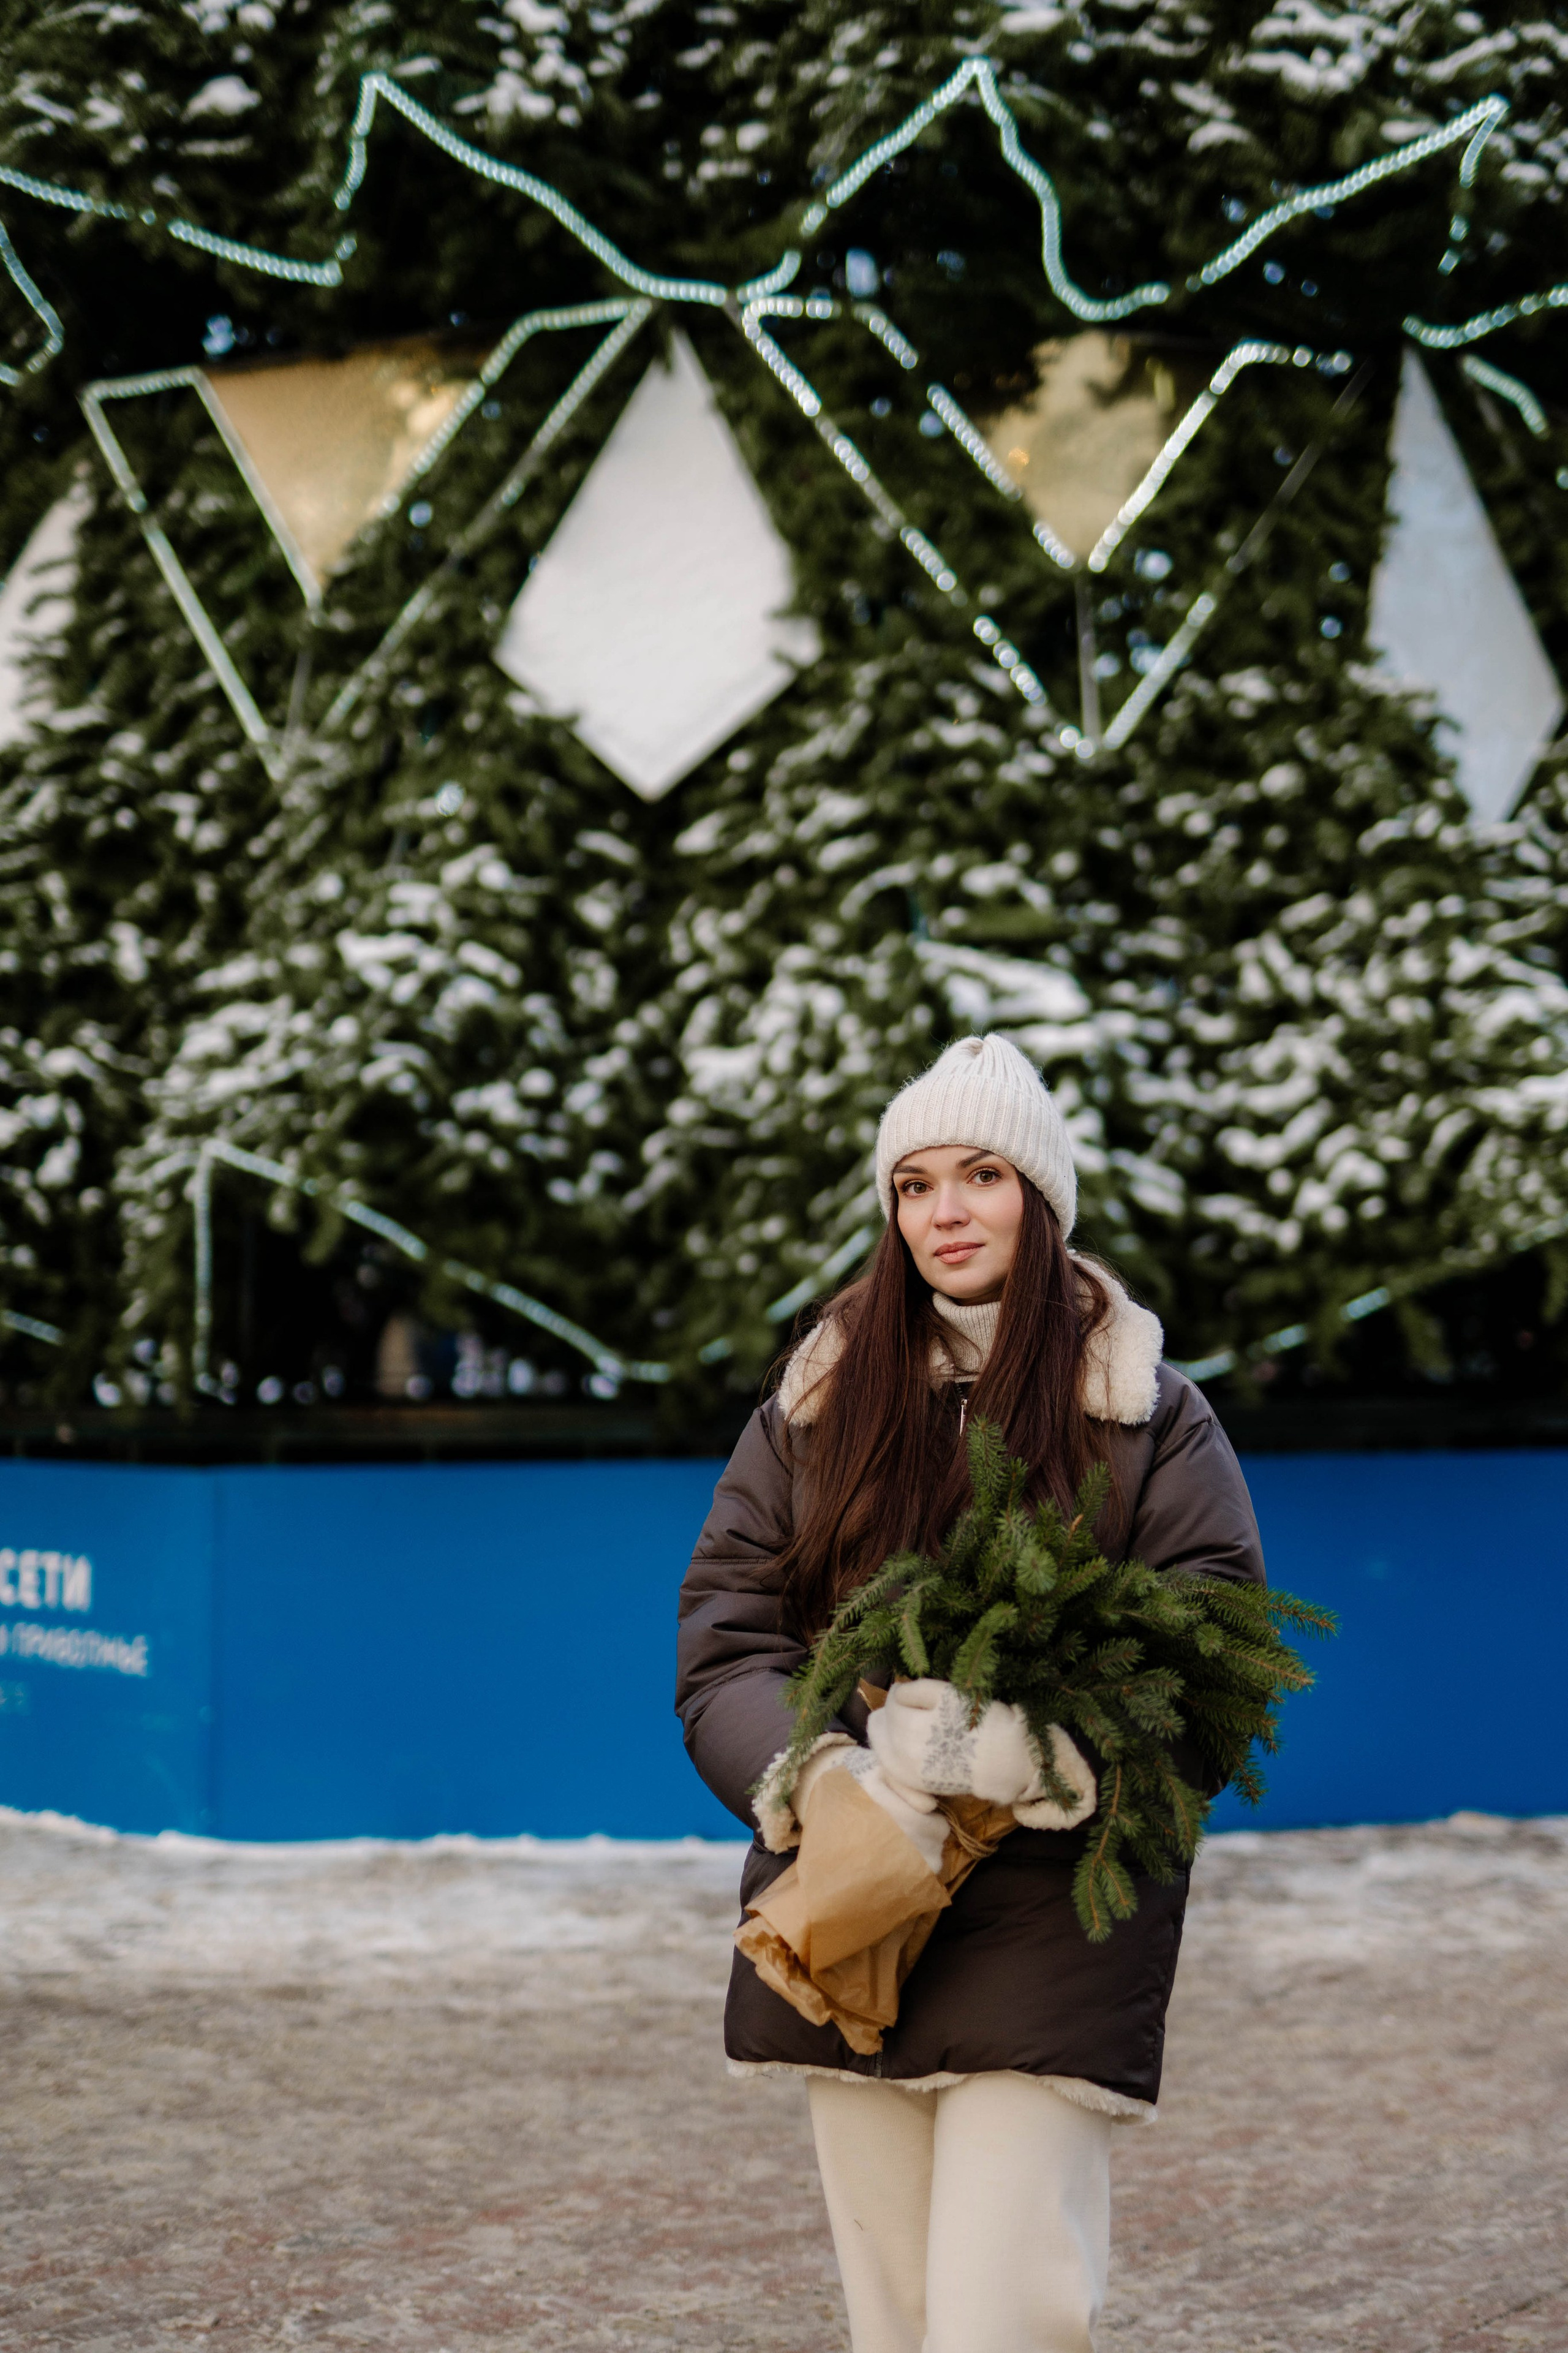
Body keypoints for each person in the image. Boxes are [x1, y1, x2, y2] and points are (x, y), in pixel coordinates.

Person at [676, 1033, 1265, 2353]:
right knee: (893, 2326)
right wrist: (822, 1779)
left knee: (1003, 2323)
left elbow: (1212, 1653)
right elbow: (726, 1637)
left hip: (1054, 1917)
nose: (944, 1210)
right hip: (859, 1901)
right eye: (914, 1183)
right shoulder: (818, 1402)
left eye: (981, 1174)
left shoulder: (1143, 1410)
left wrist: (1050, 1757)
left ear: (1038, 1199)